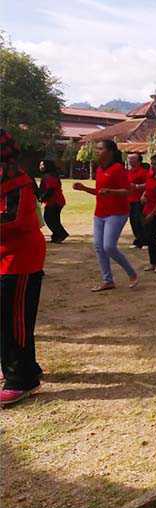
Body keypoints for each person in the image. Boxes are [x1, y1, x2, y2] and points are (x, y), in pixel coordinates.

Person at [0, 128, 46, 406]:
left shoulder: (17, 180)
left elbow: (13, 220)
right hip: (5, 257)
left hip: (20, 259)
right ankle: (23, 367)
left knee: (14, 321)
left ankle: (21, 379)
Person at [73, 140, 138, 292]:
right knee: (99, 247)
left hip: (117, 213)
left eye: (100, 148)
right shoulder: (100, 170)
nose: (97, 151)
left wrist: (111, 191)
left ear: (110, 152)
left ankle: (132, 273)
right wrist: (84, 188)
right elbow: (99, 192)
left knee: (109, 246)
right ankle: (107, 280)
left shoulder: (118, 169)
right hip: (100, 213)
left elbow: (128, 191)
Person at [38, 160, 69, 243]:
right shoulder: (51, 175)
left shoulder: (49, 176)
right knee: (55, 219)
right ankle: (56, 236)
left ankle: (62, 234)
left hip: (55, 201)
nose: (40, 167)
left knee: (49, 219)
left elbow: (50, 189)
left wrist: (42, 198)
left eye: (42, 165)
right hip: (56, 201)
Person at [126, 153, 148, 249]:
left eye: (132, 159)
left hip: (139, 200)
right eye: (129, 159)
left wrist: (137, 186)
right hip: (129, 200)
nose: (130, 160)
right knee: (133, 221)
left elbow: (149, 184)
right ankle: (138, 240)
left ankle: (144, 241)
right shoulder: (128, 172)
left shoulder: (143, 172)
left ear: (139, 161)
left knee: (139, 221)